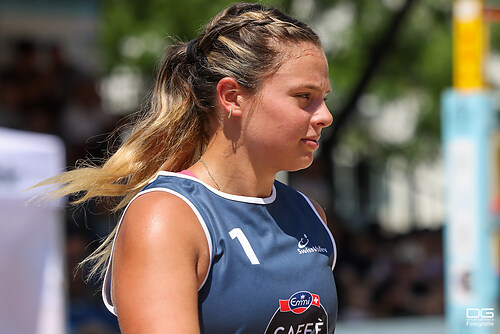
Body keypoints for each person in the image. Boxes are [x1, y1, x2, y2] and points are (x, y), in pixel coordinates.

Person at [37, 2, 337, 333]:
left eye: (324, 97)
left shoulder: (311, 216)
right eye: (304, 97)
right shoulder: (168, 217)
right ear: (232, 97)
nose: (325, 116)